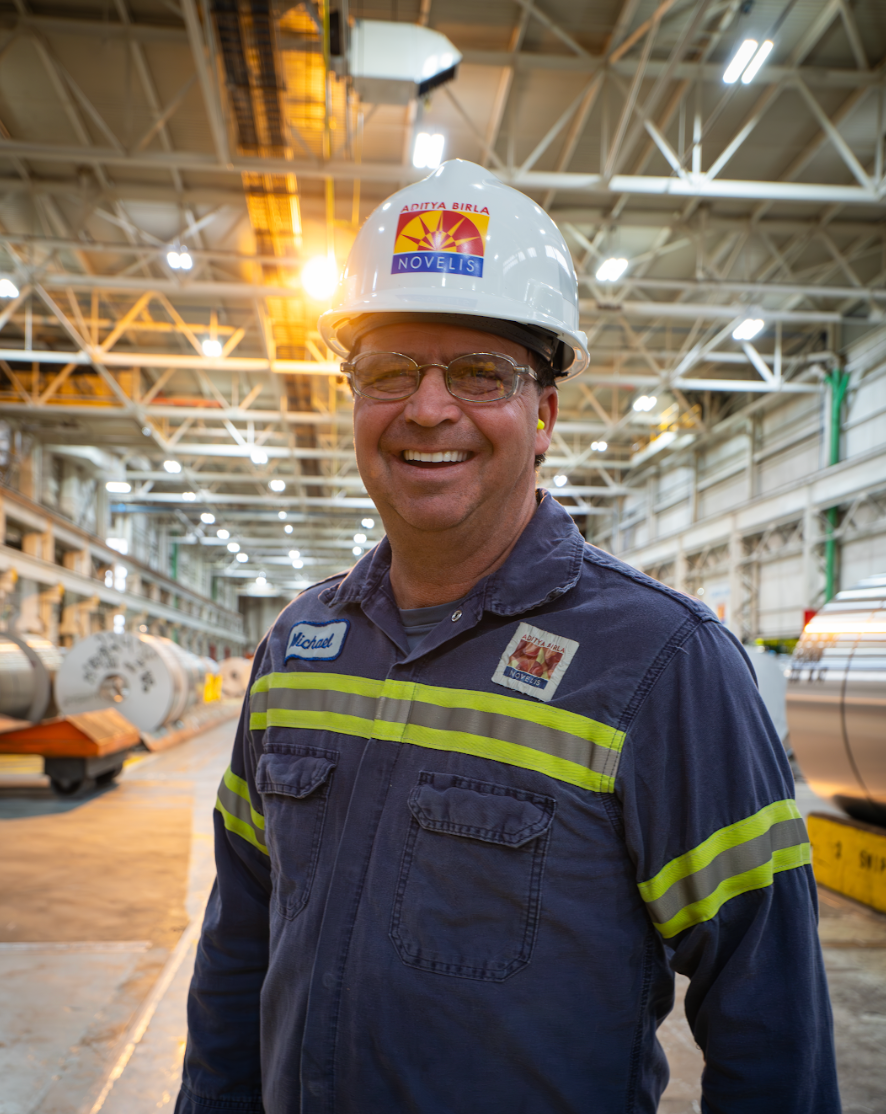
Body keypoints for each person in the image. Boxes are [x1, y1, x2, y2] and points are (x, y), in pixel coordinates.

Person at [175, 160, 839, 1114]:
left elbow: (768, 1018)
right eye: (390, 371)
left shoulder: (661, 664)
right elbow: (241, 938)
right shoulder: (297, 646)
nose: (429, 408)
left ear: (546, 417)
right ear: (355, 401)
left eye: (481, 373)